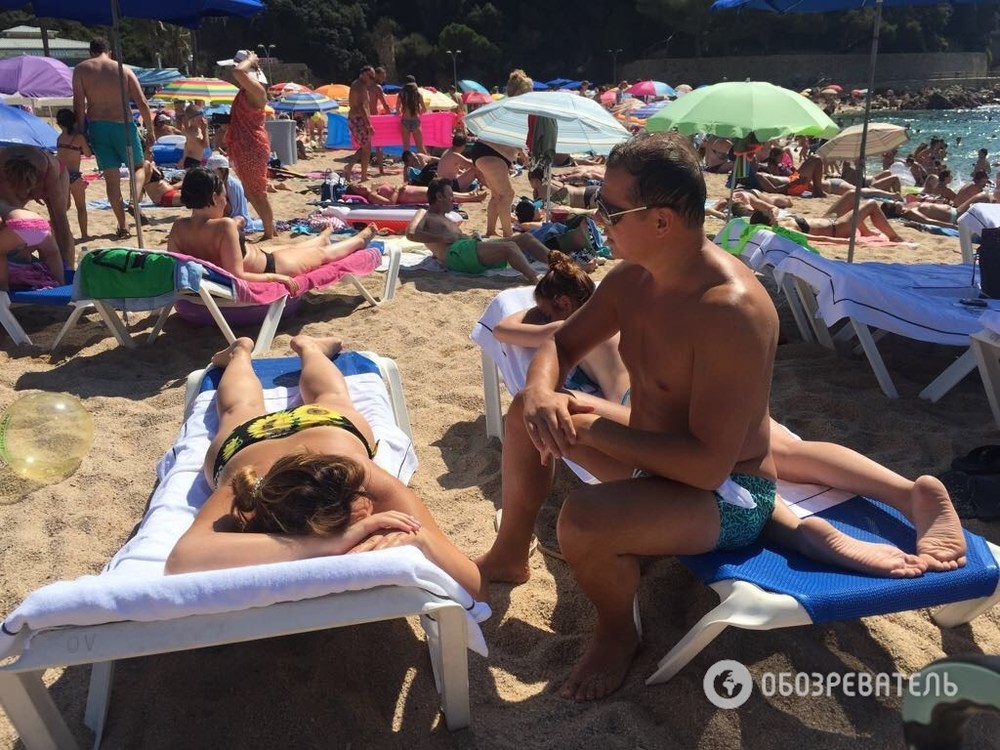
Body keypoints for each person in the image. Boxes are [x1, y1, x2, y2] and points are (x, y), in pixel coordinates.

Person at [476, 131, 784, 701]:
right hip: (652, 460)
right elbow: (560, 344)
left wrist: (593, 428)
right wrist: (541, 393)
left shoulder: (729, 311)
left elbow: (707, 467)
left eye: (610, 210)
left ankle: (619, 631)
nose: (597, 218)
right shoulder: (632, 277)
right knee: (525, 410)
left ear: (661, 220)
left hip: (726, 495)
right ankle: (510, 555)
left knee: (583, 519)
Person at [493, 253, 966, 578]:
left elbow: (505, 329)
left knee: (719, 473)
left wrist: (541, 322)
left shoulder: (580, 319)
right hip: (692, 396)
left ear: (562, 304)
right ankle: (905, 493)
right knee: (781, 452)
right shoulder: (635, 301)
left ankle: (802, 531)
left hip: (641, 402)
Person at [165, 335, 484, 599]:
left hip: (301, 434)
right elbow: (182, 559)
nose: (370, 504)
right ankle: (287, 349)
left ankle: (259, 350)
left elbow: (477, 588)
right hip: (289, 436)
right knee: (322, 396)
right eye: (361, 502)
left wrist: (423, 539)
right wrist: (328, 544)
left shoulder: (360, 473)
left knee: (244, 408)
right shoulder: (251, 489)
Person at [167, 168, 376, 293]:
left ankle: (323, 236)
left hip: (262, 257)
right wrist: (275, 278)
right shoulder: (224, 226)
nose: (225, 201)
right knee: (321, 255)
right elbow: (237, 275)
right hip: (272, 267)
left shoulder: (178, 228)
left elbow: (175, 267)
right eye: (224, 196)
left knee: (294, 247)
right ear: (214, 197)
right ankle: (361, 239)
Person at [495, 251, 629, 404]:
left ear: (565, 303)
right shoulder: (611, 319)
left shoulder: (572, 328)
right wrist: (547, 305)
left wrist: (536, 310)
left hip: (629, 406)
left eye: (546, 316)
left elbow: (501, 330)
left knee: (530, 400)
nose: (545, 322)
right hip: (641, 395)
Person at [72, 36, 152, 241]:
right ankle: (134, 199)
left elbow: (79, 104)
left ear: (91, 53)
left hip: (98, 126)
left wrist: (81, 131)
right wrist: (150, 129)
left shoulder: (81, 70)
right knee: (139, 167)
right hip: (123, 125)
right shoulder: (123, 69)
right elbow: (142, 102)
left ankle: (123, 227)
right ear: (109, 52)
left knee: (111, 179)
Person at [406, 177, 554, 283]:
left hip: (466, 248)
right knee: (509, 247)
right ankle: (535, 277)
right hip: (456, 254)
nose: (453, 199)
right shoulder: (424, 213)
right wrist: (441, 239)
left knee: (526, 238)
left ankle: (559, 265)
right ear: (439, 196)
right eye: (450, 195)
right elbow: (411, 234)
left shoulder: (445, 217)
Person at [219, 50, 276, 239]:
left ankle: (269, 232)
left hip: (252, 144)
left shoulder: (257, 91)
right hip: (244, 144)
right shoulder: (247, 91)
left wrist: (251, 60)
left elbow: (238, 72)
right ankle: (270, 228)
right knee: (251, 192)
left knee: (258, 192)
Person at [0, 145, 74, 269]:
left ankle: (67, 266)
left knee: (58, 221)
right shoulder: (2, 165)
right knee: (15, 219)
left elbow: (61, 220)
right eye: (20, 191)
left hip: (55, 173)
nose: (25, 195)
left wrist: (65, 266)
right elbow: (15, 217)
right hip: (15, 173)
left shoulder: (49, 170)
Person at [752, 202, 905, 243]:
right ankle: (894, 237)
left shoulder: (778, 221)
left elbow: (773, 209)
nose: (772, 213)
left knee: (852, 195)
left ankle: (866, 231)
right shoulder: (784, 229)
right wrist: (845, 242)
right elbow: (816, 239)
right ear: (769, 220)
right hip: (838, 228)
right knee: (871, 205)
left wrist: (772, 213)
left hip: (829, 220)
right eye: (769, 215)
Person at [0, 201, 65, 291]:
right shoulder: (20, 210)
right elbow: (33, 231)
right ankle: (60, 283)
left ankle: (3, 286)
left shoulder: (2, 207)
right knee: (53, 254)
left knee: (1, 253)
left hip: (20, 225)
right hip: (43, 225)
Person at [55, 108, 91, 240]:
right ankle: (84, 234)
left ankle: (61, 232)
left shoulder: (59, 139)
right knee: (81, 207)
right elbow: (88, 154)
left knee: (65, 207)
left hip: (61, 176)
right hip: (75, 176)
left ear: (59, 124)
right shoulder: (78, 138)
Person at [342, 66, 377, 182]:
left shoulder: (360, 85)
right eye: (370, 76)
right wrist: (368, 124)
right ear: (363, 74)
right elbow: (361, 107)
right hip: (358, 119)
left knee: (365, 147)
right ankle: (360, 174)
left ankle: (354, 169)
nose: (371, 79)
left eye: (373, 77)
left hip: (358, 119)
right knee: (366, 148)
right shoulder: (359, 86)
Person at [206, 152, 253, 231]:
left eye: (212, 172)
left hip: (235, 216)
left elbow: (236, 211)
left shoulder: (233, 186)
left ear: (223, 171)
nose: (210, 174)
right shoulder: (212, 182)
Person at [346, 180, 486, 205]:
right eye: (357, 187)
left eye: (358, 184)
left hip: (409, 190)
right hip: (408, 196)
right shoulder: (372, 196)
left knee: (438, 190)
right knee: (439, 194)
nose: (360, 185)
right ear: (359, 194)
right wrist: (397, 190)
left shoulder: (374, 187)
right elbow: (390, 203)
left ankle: (470, 195)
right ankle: (473, 198)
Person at [369, 66, 392, 175]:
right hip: (374, 118)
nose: (384, 78)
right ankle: (381, 170)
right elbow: (385, 104)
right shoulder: (377, 87)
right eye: (382, 76)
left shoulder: (365, 85)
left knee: (366, 145)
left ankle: (350, 165)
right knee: (379, 145)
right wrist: (391, 116)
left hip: (365, 116)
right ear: (376, 75)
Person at [398, 79, 427, 155]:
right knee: (420, 147)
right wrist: (418, 112)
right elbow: (424, 109)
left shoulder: (401, 94)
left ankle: (407, 162)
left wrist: (401, 112)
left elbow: (397, 109)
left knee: (406, 148)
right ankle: (423, 162)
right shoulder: (418, 94)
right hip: (415, 120)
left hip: (405, 121)